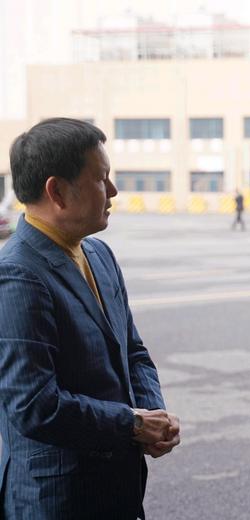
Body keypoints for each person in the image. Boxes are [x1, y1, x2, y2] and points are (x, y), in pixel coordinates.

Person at [0, 118, 180, 519]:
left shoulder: (99, 255)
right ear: (57, 191)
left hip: (117, 485)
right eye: (101, 178)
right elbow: (33, 405)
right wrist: (132, 424)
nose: (113, 191)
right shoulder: (17, 275)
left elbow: (132, 351)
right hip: (58, 499)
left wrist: (154, 415)